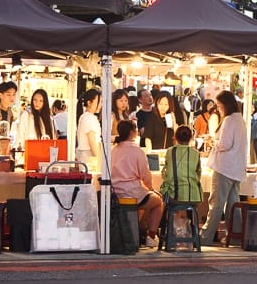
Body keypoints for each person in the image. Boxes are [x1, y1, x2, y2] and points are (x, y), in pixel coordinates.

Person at [200, 90, 247, 246]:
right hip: (236, 169)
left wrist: (213, 142)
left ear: (226, 105)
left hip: (224, 167)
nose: (218, 109)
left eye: (219, 106)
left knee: (216, 203)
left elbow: (225, 144)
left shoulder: (228, 120)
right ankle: (235, 236)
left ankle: (205, 237)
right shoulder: (239, 119)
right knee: (233, 205)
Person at [111, 120, 164, 248]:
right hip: (132, 193)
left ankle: (132, 233)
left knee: (141, 205)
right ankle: (151, 236)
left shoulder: (114, 150)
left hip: (115, 192)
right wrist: (151, 188)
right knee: (158, 202)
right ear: (132, 132)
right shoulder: (137, 150)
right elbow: (145, 174)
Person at [160, 125, 203, 203]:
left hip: (174, 195)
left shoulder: (170, 151)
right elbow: (198, 173)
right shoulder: (196, 153)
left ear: (175, 137)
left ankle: (175, 215)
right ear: (191, 138)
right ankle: (190, 215)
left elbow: (165, 173)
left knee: (166, 196)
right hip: (193, 196)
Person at [76, 88, 102, 171]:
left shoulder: (86, 117)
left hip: (86, 155)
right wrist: (99, 159)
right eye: (99, 102)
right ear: (89, 103)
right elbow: (92, 141)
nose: (100, 105)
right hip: (89, 156)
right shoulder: (88, 118)